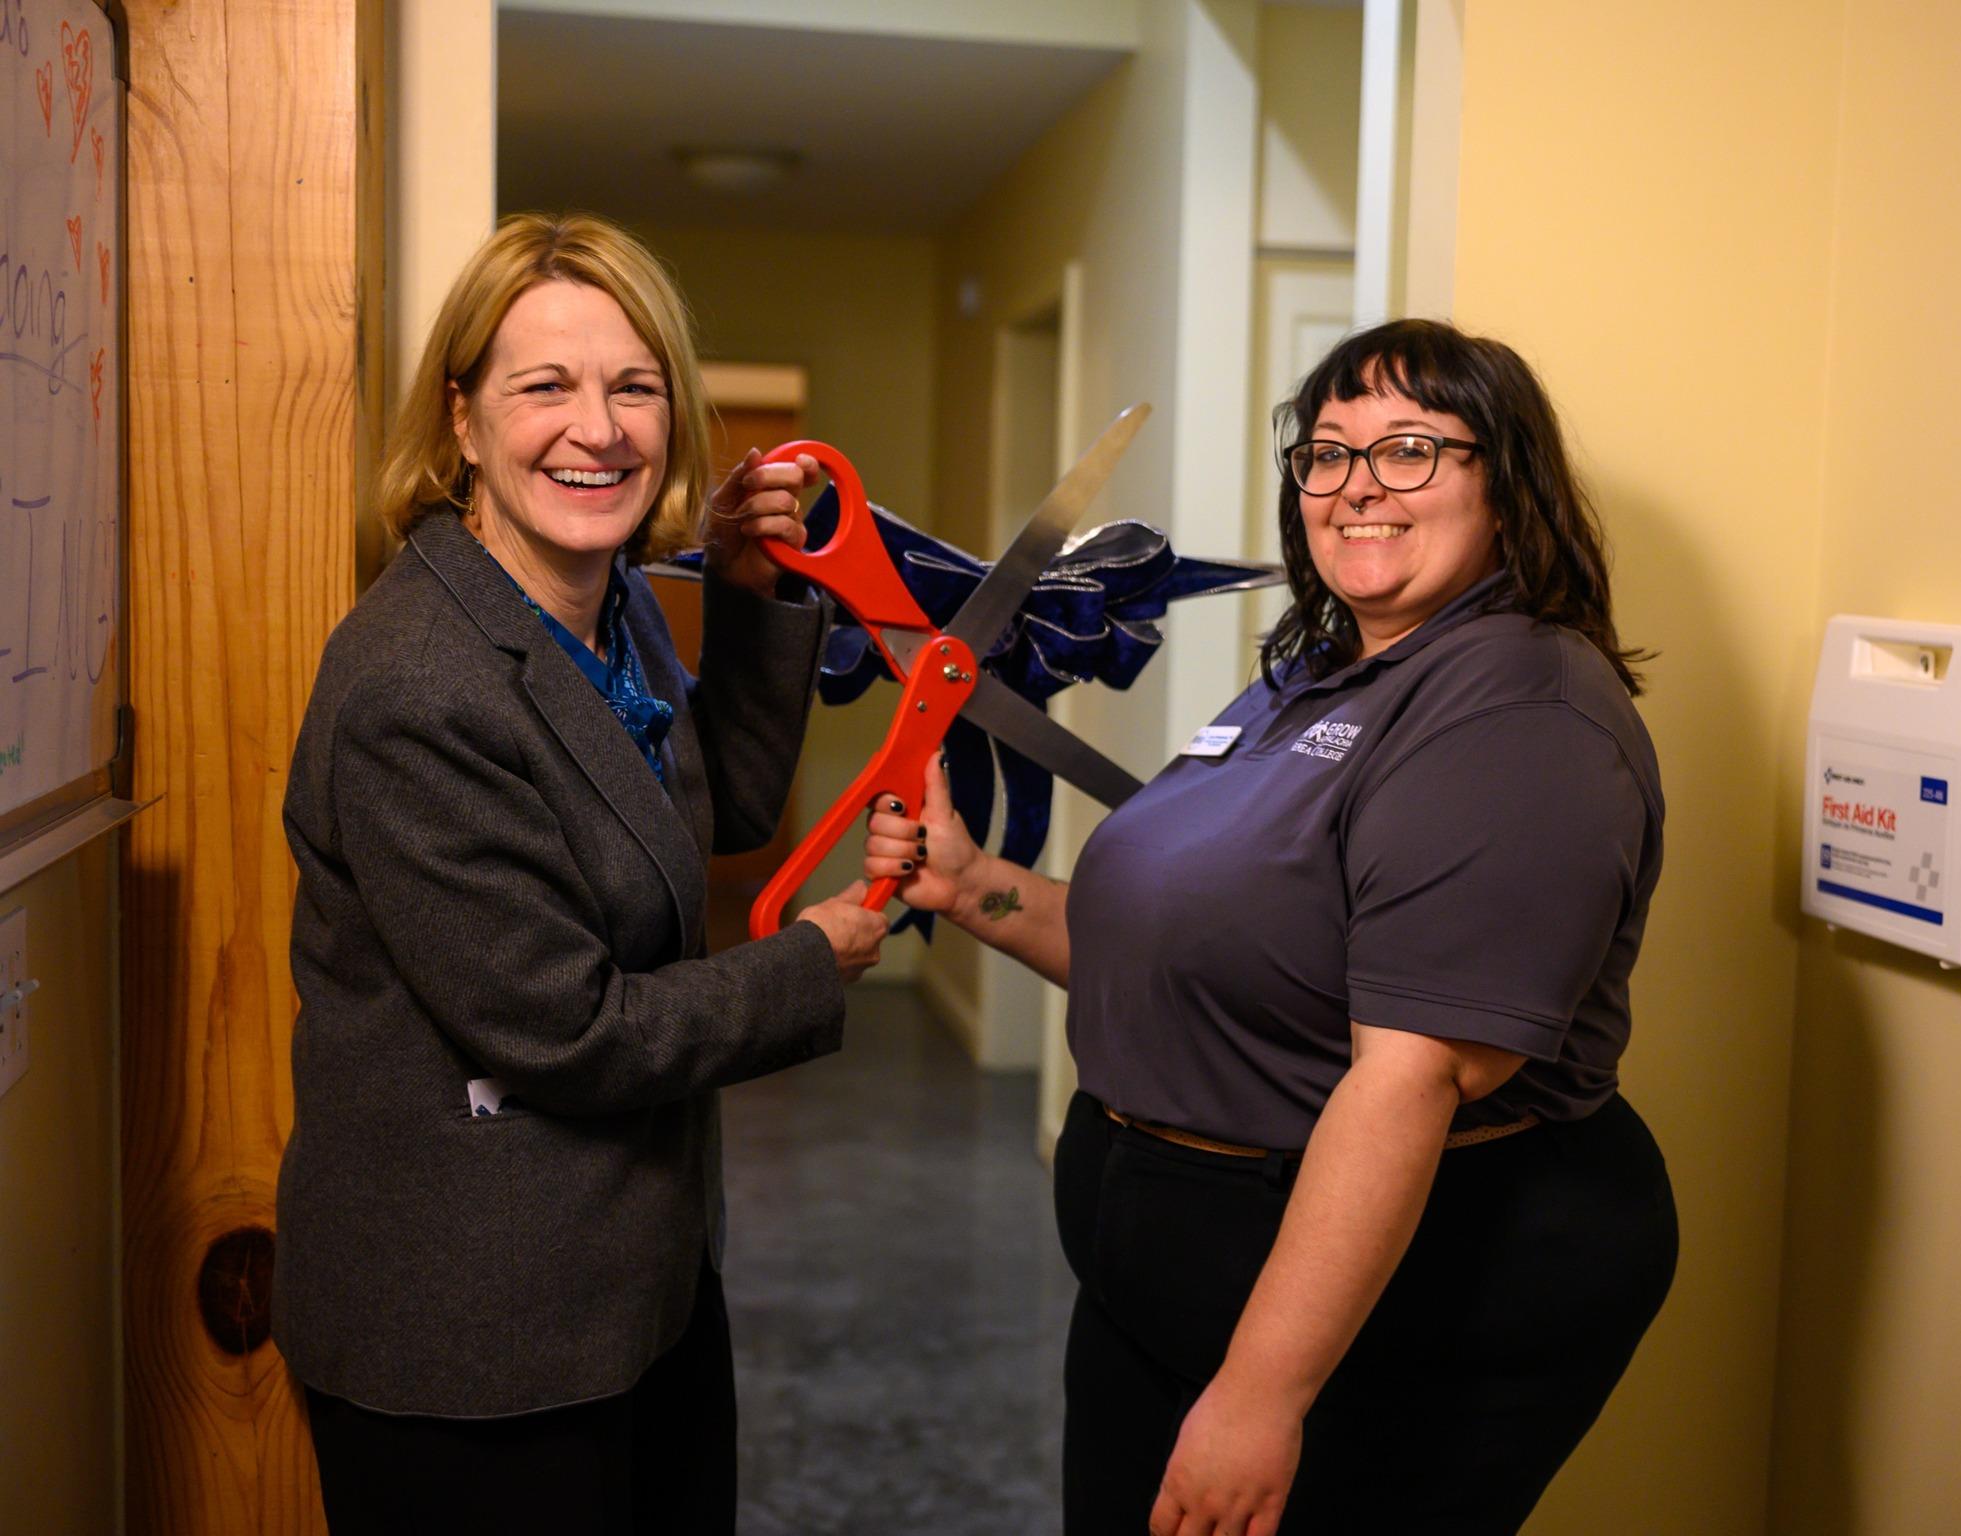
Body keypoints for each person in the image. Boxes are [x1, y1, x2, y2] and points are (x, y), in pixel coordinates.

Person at [867, 319, 1678, 1534]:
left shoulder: (1518, 711)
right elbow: (1194, 960)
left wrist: (1259, 1397)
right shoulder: (1311, 677)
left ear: (1506, 484)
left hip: (1393, 1309)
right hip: (1166, 1280)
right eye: (1327, 452)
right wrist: (971, 884)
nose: (1356, 485)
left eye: (1409, 448)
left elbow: (1407, 1080)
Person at [276, 212, 889, 1535]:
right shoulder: (417, 686)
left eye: (635, 387)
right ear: (462, 419)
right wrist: (810, 963)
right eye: (545, 386)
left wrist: (747, 587)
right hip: (476, 1336)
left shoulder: (605, 607)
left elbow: (707, 811)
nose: (598, 430)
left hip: (634, 1284)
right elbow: (568, 1028)